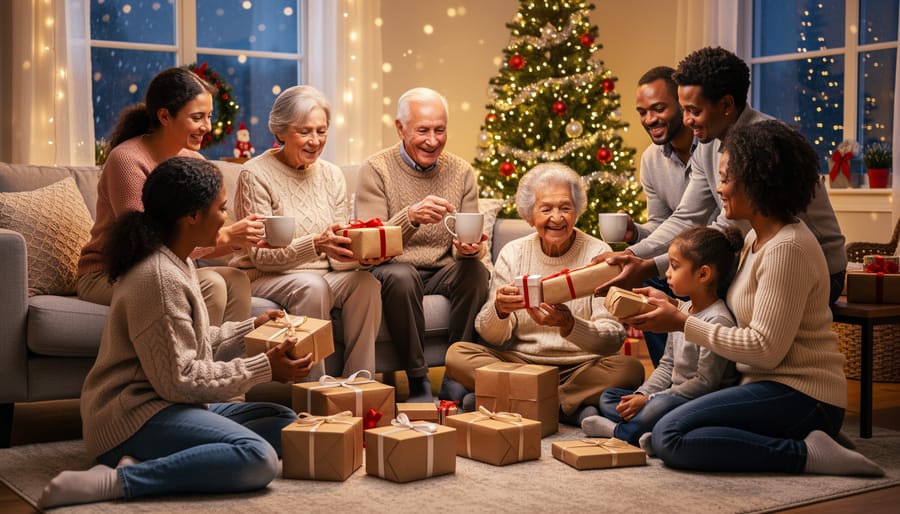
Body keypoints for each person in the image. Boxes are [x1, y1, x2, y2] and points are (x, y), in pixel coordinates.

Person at [39, 157, 312, 509]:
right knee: (257, 457)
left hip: (170, 404)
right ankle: (119, 479)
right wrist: (264, 368)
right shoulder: (158, 277)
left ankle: (151, 458)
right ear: (191, 216)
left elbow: (191, 343)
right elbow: (180, 379)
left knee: (281, 422)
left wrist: (250, 328)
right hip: (132, 417)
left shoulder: (177, 259)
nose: (226, 218)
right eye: (221, 208)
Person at [626, 121, 883, 476]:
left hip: (803, 393)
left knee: (670, 436)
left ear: (758, 182)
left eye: (726, 178)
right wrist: (675, 307)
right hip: (764, 385)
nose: (719, 188)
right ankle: (814, 438)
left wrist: (684, 322)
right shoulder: (753, 239)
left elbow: (765, 348)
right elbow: (728, 314)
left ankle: (809, 453)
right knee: (668, 422)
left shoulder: (786, 248)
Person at [594, 47, 847, 305]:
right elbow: (687, 216)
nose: (688, 120)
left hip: (821, 270)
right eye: (684, 110)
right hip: (758, 260)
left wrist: (649, 266)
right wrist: (632, 254)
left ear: (726, 105)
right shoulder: (706, 144)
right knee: (670, 284)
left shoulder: (764, 144)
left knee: (697, 286)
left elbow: (727, 228)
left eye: (694, 110)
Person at [443, 163, 645, 424]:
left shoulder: (598, 254)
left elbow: (613, 339)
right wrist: (500, 311)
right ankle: (568, 407)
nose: (557, 218)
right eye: (546, 209)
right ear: (529, 216)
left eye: (565, 207)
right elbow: (489, 333)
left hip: (581, 368)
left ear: (577, 212)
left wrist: (570, 324)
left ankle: (515, 401)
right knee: (457, 354)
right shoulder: (513, 253)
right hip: (522, 364)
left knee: (629, 369)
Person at [77, 67, 266, 325]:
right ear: (165, 116)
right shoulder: (127, 160)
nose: (207, 127)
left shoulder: (193, 160)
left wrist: (244, 238)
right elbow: (146, 246)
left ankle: (226, 360)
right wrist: (226, 236)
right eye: (197, 117)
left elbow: (205, 229)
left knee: (236, 279)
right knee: (210, 283)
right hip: (111, 274)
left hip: (170, 269)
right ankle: (189, 362)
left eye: (209, 116)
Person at [230, 85, 382, 378]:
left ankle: (361, 385)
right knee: (313, 286)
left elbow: (338, 256)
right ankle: (316, 392)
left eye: (321, 131)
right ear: (281, 131)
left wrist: (361, 257)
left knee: (366, 285)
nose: (315, 141)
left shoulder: (332, 175)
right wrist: (316, 243)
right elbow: (261, 256)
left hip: (321, 273)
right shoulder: (255, 174)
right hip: (265, 276)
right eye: (305, 132)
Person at [356, 87, 490, 402]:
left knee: (475, 272)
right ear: (400, 128)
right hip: (392, 272)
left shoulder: (461, 171)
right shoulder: (376, 169)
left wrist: (470, 248)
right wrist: (410, 219)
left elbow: (467, 236)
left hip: (441, 270)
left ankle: (458, 375)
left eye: (439, 130)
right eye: (423, 130)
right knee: (402, 275)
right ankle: (418, 381)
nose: (433, 140)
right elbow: (370, 245)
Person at [582, 226, 742, 446]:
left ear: (703, 274)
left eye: (674, 267)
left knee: (657, 407)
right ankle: (645, 430)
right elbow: (667, 364)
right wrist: (641, 394)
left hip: (697, 400)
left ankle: (619, 431)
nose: (666, 273)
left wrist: (650, 400)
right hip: (669, 395)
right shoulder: (680, 311)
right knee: (609, 398)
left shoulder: (716, 321)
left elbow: (705, 383)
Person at [626, 65, 703, 366]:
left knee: (656, 271)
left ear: (682, 108)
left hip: (714, 256)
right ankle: (666, 372)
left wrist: (638, 257)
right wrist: (635, 233)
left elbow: (693, 220)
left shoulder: (710, 149)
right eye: (642, 112)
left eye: (659, 108)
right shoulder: (650, 159)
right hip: (683, 257)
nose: (650, 120)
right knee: (647, 285)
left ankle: (698, 377)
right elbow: (661, 223)